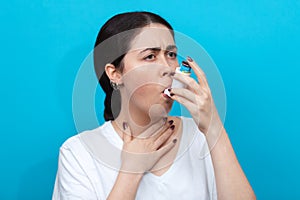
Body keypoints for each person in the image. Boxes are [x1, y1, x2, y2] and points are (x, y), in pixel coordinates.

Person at [52, 11, 256, 200]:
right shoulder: (78, 153)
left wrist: (214, 129)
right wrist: (131, 171)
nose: (169, 68)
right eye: (150, 56)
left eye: (171, 54)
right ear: (116, 74)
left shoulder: (199, 136)